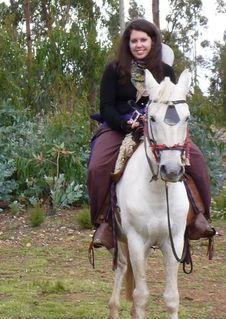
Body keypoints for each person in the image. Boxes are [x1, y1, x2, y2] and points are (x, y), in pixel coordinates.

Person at [87, 18, 215, 249]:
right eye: (134, 40)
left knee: (196, 159)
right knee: (98, 166)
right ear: (127, 43)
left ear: (153, 41)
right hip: (121, 126)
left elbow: (172, 104)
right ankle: (103, 222)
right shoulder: (114, 70)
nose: (138, 45)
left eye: (143, 40)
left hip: (161, 129)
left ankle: (199, 216)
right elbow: (106, 106)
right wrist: (126, 125)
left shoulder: (165, 71)